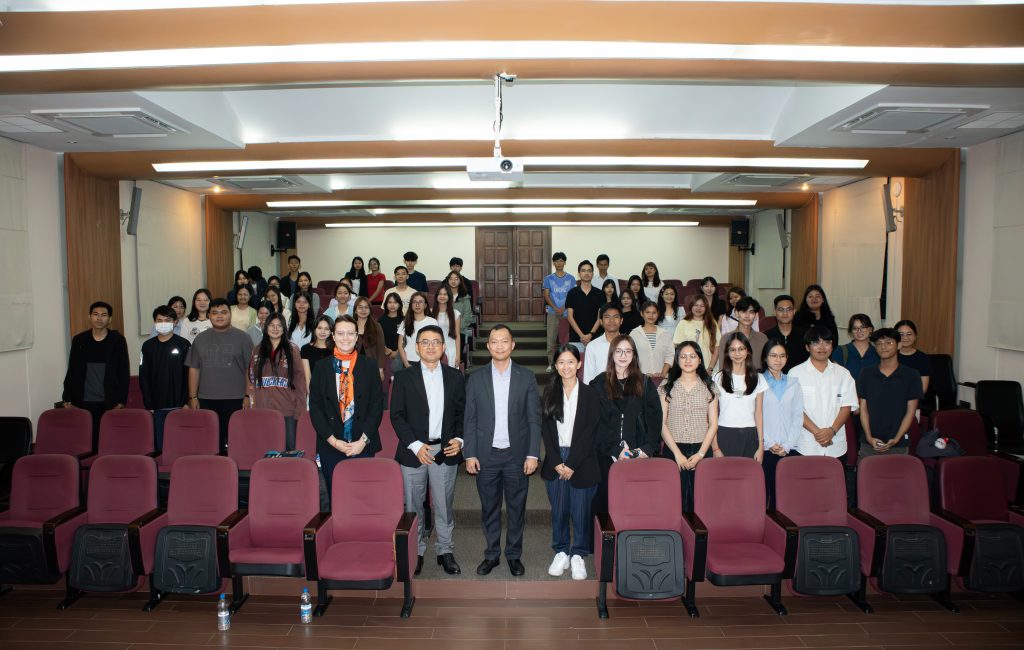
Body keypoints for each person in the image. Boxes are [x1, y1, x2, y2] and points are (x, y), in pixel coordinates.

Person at [463, 325, 541, 577]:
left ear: (512, 345)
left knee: (517, 508)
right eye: (494, 342)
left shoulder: (526, 376)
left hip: (516, 455)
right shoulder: (476, 378)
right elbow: (470, 419)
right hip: (485, 455)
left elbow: (534, 419)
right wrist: (470, 453)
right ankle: (492, 554)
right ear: (488, 346)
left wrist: (533, 454)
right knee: (489, 508)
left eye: (504, 341)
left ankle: (514, 555)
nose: (499, 346)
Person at [390, 324, 466, 576]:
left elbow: (462, 413)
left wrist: (459, 439)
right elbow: (397, 415)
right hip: (414, 451)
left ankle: (445, 550)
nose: (431, 346)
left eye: (436, 342)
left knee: (443, 504)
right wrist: (415, 445)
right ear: (417, 347)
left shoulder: (455, 377)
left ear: (444, 347)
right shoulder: (403, 377)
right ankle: (417, 550)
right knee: (413, 505)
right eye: (425, 342)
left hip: (444, 450)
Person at [541, 345, 601, 580]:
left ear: (579, 364)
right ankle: (561, 550)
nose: (565, 366)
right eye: (561, 362)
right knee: (559, 510)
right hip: (556, 459)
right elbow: (546, 430)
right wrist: (556, 461)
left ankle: (578, 554)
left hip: (582, 460)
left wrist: (572, 463)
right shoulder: (549, 392)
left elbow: (591, 432)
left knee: (581, 511)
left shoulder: (590, 394)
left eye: (570, 362)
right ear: (555, 366)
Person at [308, 315, 385, 499]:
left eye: (350, 333)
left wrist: (362, 441)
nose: (345, 338)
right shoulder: (321, 367)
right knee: (337, 498)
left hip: (362, 444)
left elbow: (376, 406)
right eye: (340, 333)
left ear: (357, 336)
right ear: (333, 336)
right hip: (331, 445)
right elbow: (316, 408)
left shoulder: (370, 365)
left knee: (362, 498)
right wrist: (334, 441)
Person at [590, 335, 662, 514]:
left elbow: (655, 420)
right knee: (606, 503)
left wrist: (646, 448)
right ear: (612, 354)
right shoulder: (598, 384)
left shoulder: (645, 383)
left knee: (635, 504)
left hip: (639, 453)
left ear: (634, 355)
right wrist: (615, 449)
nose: (623, 356)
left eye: (628, 351)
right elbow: (594, 424)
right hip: (606, 453)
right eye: (619, 351)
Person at [185, 299, 254, 453]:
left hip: (236, 398)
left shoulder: (244, 338)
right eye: (215, 313)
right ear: (209, 315)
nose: (219, 316)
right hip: (206, 399)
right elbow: (194, 369)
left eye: (224, 312)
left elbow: (249, 369)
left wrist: (248, 395)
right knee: (210, 443)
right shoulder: (200, 339)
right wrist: (192, 397)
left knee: (235, 442)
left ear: (230, 314)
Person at [658, 341, 719, 512]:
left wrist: (700, 454)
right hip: (673, 448)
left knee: (701, 501)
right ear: (677, 360)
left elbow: (713, 424)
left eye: (692, 356)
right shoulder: (666, 386)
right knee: (675, 500)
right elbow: (661, 423)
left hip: (701, 448)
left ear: (700, 360)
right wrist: (677, 454)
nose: (688, 360)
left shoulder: (709, 386)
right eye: (683, 356)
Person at [62, 301, 130, 449]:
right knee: (86, 441)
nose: (99, 318)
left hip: (108, 401)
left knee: (106, 440)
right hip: (83, 400)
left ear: (110, 319)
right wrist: (67, 395)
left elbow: (124, 372)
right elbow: (72, 369)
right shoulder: (79, 340)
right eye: (96, 314)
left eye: (104, 315)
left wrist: (121, 400)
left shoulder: (117, 341)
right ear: (89, 317)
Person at [788, 326, 858, 459]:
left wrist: (831, 431)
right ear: (807, 347)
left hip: (836, 444)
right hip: (806, 444)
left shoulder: (843, 374)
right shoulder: (795, 374)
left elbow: (846, 406)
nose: (822, 347)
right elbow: (795, 409)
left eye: (827, 342)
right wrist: (818, 433)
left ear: (832, 346)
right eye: (816, 342)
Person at [856, 328, 922, 457]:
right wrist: (869, 437)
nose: (883, 347)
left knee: (898, 470)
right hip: (869, 441)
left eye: (889, 342)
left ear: (899, 345)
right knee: (866, 470)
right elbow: (863, 408)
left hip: (899, 442)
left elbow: (910, 411)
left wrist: (897, 438)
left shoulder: (912, 375)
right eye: (879, 343)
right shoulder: (866, 373)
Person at [246, 313, 307, 450]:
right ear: (266, 327)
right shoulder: (257, 350)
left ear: (284, 329)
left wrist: (300, 410)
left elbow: (300, 382)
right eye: (272, 325)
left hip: (287, 410)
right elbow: (251, 378)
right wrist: (253, 404)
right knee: (265, 448)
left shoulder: (292, 350)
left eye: (279, 326)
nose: (275, 328)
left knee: (289, 449)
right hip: (263, 409)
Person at [139, 305, 190, 453]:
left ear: (175, 322)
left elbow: (189, 375)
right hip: (157, 407)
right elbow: (144, 376)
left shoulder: (184, 344)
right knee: (160, 446)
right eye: (159, 320)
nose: (163, 323)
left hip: (180, 405)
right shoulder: (147, 346)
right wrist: (149, 404)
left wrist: (187, 401)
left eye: (167, 320)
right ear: (154, 322)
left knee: (180, 445)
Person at [759, 340, 804, 509]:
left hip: (789, 448)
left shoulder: (794, 383)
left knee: (786, 497)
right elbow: (755, 416)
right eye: (773, 356)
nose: (778, 360)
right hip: (765, 448)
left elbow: (798, 416)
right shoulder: (757, 381)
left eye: (782, 356)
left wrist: (787, 445)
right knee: (765, 496)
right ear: (765, 358)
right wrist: (769, 442)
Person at [714, 332, 767, 461]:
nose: (737, 353)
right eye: (733, 350)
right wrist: (715, 447)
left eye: (741, 349)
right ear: (727, 353)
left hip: (750, 434)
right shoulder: (718, 377)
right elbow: (712, 413)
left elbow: (759, 413)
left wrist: (761, 446)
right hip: (725, 432)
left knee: (748, 473)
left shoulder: (758, 378)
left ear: (748, 351)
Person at [542, 251, 577, 373]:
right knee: (551, 339)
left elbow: (572, 296)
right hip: (553, 312)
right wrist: (555, 308)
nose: (559, 263)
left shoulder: (571, 278)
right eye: (556, 261)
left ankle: (565, 363)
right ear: (553, 263)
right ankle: (551, 363)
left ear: (564, 262)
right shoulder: (548, 278)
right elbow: (546, 295)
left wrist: (563, 308)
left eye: (561, 261)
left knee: (566, 339)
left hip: (568, 313)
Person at [718, 297, 768, 371]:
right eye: (744, 311)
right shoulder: (726, 338)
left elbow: (766, 366)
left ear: (756, 315)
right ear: (736, 313)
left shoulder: (762, 338)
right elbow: (722, 368)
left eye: (751, 312)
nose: (747, 316)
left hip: (758, 377)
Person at [565, 260, 604, 352]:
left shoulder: (600, 294)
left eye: (589, 271)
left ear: (592, 274)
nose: (586, 273)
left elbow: (600, 318)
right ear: (579, 273)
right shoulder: (572, 293)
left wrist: (590, 334)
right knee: (576, 360)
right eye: (583, 270)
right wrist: (582, 336)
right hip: (576, 338)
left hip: (595, 338)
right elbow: (570, 317)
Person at [674, 294, 720, 370]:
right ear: (691, 306)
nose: (698, 308)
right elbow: (679, 348)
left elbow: (716, 347)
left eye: (702, 306)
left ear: (706, 308)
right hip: (688, 367)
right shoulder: (683, 323)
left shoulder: (712, 323)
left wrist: (710, 368)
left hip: (709, 367)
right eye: (696, 305)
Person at [763, 294, 808, 372]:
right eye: (781, 309)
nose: (785, 313)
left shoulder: (805, 335)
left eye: (789, 309)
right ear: (775, 312)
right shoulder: (766, 336)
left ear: (794, 311)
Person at [630, 300, 673, 381]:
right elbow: (630, 357)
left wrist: (662, 374)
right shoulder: (634, 334)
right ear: (642, 313)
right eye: (647, 312)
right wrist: (640, 375)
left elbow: (670, 355)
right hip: (640, 380)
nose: (651, 315)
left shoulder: (665, 334)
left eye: (654, 313)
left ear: (658, 314)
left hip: (661, 380)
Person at [831, 313, 880, 382]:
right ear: (851, 332)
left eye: (863, 327)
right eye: (855, 328)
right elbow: (835, 377)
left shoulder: (879, 351)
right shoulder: (841, 351)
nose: (859, 331)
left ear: (870, 329)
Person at [583, 303, 622, 384]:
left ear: (621, 320)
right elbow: (588, 377)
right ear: (601, 321)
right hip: (600, 390)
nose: (611, 320)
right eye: (607, 317)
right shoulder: (592, 346)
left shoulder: (629, 344)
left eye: (616, 317)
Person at [398, 292, 439, 368]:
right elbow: (400, 345)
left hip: (427, 361)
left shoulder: (433, 322)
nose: (417, 305)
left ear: (425, 305)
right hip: (409, 361)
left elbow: (437, 343)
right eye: (414, 302)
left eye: (420, 302)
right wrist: (406, 363)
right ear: (411, 305)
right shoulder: (405, 322)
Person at [894, 319, 932, 395]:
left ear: (915, 336)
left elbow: (923, 389)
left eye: (909, 334)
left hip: (914, 398)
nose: (905, 337)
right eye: (901, 334)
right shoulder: (889, 356)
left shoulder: (922, 358)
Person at [353, 297, 386, 379]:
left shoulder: (377, 326)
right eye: (360, 307)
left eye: (366, 307)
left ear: (370, 310)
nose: (363, 310)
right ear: (355, 310)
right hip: (353, 365)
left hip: (371, 365)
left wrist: (380, 369)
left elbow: (381, 348)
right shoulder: (350, 326)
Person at [300, 315, 334, 392]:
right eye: (319, 328)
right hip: (314, 391)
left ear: (331, 331)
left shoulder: (336, 349)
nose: (322, 332)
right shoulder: (305, 349)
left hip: (332, 391)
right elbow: (308, 377)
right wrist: (311, 395)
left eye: (326, 329)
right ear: (314, 329)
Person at [433, 284, 462, 369]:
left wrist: (458, 354)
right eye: (440, 294)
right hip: (434, 347)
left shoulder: (455, 313)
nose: (442, 296)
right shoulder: (431, 313)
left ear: (449, 296)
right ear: (436, 296)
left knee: (450, 374)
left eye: (445, 294)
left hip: (450, 348)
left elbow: (457, 335)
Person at [446, 271, 476, 346]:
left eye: (456, 279)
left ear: (460, 281)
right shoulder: (443, 296)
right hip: (444, 330)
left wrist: (455, 327)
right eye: (451, 279)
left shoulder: (465, 297)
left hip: (460, 331)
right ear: (448, 281)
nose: (453, 281)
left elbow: (468, 316)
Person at [378, 293, 405, 373]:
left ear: (399, 305)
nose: (392, 305)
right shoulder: (381, 320)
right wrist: (385, 349)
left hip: (401, 354)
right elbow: (378, 338)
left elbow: (406, 339)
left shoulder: (404, 320)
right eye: (390, 302)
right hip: (384, 353)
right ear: (386, 304)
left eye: (395, 302)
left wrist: (397, 352)